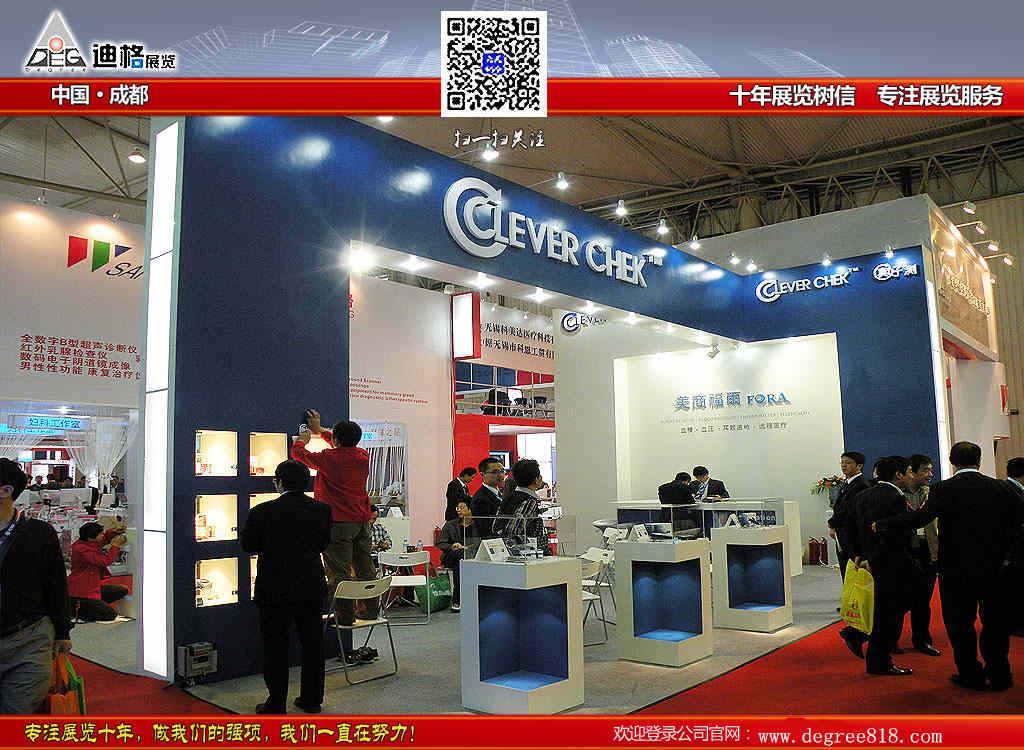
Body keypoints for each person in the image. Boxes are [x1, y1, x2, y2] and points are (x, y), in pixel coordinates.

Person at [874, 442, 1022, 691]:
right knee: (995, 624)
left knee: (960, 624)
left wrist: (883, 524)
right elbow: (1017, 523)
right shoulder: (1000, 487)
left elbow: (920, 518)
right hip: (994, 568)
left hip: (955, 568)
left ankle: (969, 673)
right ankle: (999, 674)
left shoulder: (942, 489)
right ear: (979, 460)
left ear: (953, 462)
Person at [241, 460, 331, 714]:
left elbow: (248, 545)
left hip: (274, 588)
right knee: (313, 645)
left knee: (275, 647)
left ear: (278, 482)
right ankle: (312, 699)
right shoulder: (322, 510)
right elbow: (323, 544)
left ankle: (276, 702)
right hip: (311, 586)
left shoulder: (262, 511)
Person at [0, 457, 73, 713]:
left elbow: (56, 584)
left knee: (15, 712)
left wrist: (62, 631)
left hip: (28, 639)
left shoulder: (39, 533)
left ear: (5, 491)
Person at [291, 418, 377, 631]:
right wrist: (321, 431)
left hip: (338, 522)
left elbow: (300, 455)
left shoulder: (329, 458)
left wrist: (301, 440)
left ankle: (344, 615)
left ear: (336, 440)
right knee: (365, 567)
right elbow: (342, 447)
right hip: (361, 520)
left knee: (339, 571)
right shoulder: (362, 456)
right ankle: (370, 609)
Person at [852, 456, 916, 676]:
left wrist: (862, 555)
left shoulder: (863, 495)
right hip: (891, 563)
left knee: (881, 611)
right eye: (909, 471)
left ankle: (865, 644)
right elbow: (893, 535)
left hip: (871, 561)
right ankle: (880, 661)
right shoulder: (895, 498)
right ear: (898, 475)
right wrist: (875, 558)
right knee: (890, 614)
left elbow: (856, 528)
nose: (911, 476)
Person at [898, 454, 940, 656]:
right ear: (911, 472)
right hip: (904, 551)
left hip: (927, 550)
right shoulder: (897, 495)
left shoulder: (933, 495)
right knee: (899, 599)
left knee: (923, 600)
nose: (930, 474)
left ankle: (922, 640)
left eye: (931, 470)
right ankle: (891, 639)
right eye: (925, 470)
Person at [68, 522, 129, 622]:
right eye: (100, 534)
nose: (103, 535)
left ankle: (94, 606)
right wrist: (116, 546)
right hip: (81, 592)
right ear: (90, 538)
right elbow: (105, 561)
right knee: (111, 615)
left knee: (122, 590)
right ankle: (83, 609)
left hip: (91, 586)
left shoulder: (88, 543)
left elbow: (103, 539)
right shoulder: (81, 549)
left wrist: (114, 532)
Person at [828, 451, 870, 582]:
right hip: (843, 536)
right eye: (842, 462)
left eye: (848, 463)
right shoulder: (847, 483)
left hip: (853, 537)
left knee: (853, 574)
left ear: (859, 466)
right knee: (846, 573)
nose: (844, 465)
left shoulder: (861, 485)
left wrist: (832, 522)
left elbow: (847, 510)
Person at [437, 500, 482, 613]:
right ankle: (457, 599)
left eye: (462, 508)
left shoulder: (478, 525)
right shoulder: (450, 525)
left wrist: (468, 547)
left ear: (470, 509)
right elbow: (441, 543)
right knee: (460, 560)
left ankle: (459, 599)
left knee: (461, 562)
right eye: (457, 508)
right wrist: (452, 546)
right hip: (453, 555)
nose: (459, 510)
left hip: (473, 554)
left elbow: (481, 542)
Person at [494, 459, 547, 550]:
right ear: (536, 479)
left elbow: (496, 526)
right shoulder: (529, 502)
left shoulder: (510, 497)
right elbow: (513, 532)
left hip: (503, 548)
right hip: (523, 552)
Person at [1005, 457, 1024, 637]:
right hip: (1013, 550)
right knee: (1015, 588)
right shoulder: (1008, 490)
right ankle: (1015, 624)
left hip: (1015, 550)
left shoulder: (1009, 488)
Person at [471, 456, 505, 521]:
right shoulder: (480, 499)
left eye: (502, 471)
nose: (501, 475)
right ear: (482, 474)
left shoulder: (501, 493)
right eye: (495, 472)